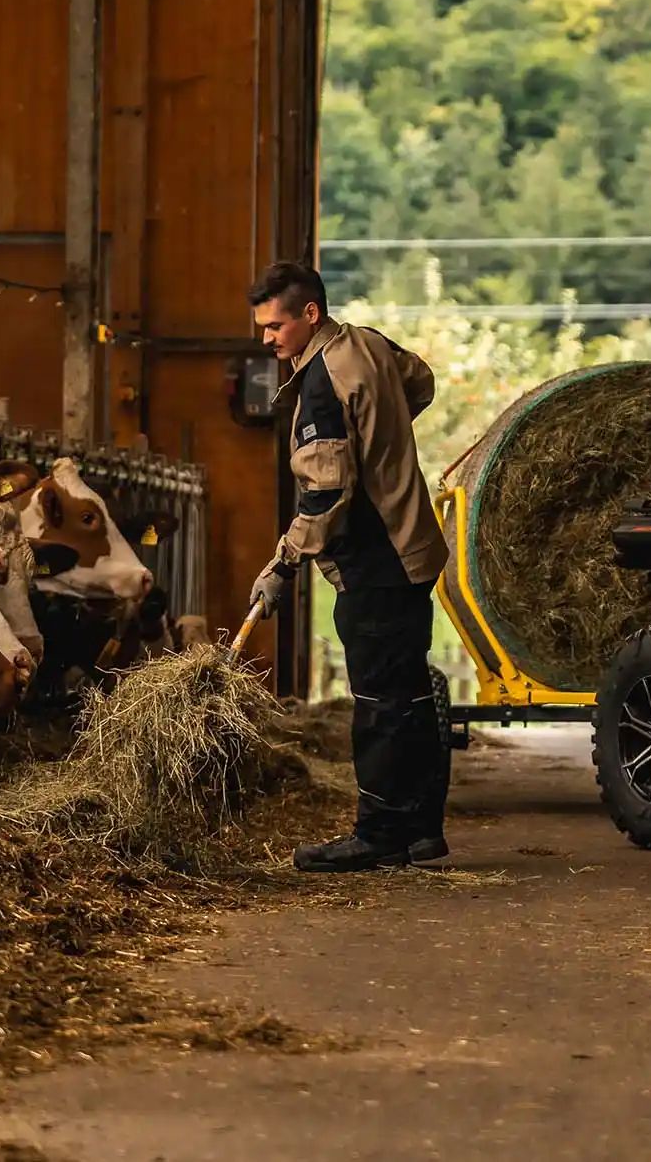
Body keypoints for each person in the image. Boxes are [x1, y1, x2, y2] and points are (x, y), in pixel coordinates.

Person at [246, 261, 451, 872]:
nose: (267, 340)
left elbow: (325, 494)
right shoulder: (367, 342)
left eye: (274, 326)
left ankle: (378, 833)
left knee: (380, 702)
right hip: (413, 547)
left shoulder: (317, 387)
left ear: (310, 314)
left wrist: (283, 565)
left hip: (377, 560)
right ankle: (420, 830)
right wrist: (382, 437)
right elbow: (422, 381)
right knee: (409, 695)